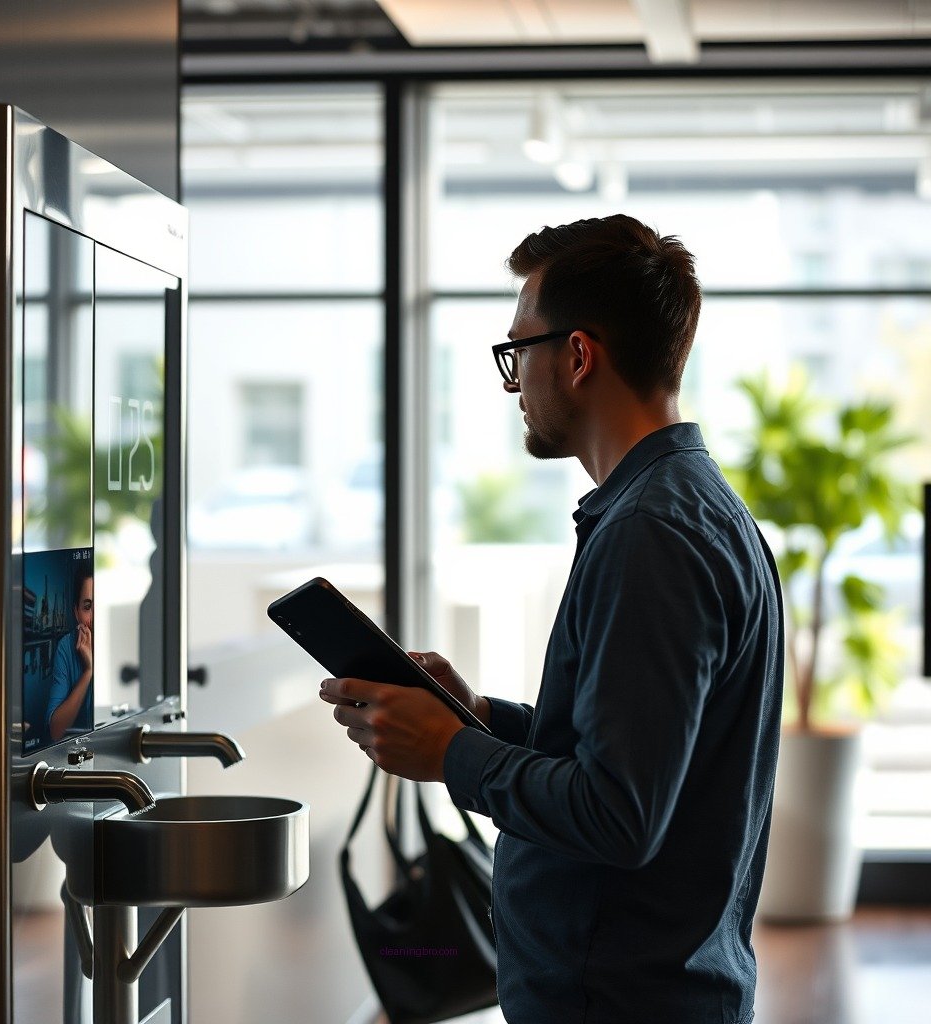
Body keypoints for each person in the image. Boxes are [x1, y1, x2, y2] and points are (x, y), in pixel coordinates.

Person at [320, 214, 784, 1023]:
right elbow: (635, 746)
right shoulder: (680, 509)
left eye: (517, 354)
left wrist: (452, 752)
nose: (512, 384)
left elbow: (619, 812)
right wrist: (482, 716)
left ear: (576, 355)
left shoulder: (652, 535)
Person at [46, 563, 94, 743]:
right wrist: (88, 671)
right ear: (76, 612)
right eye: (87, 606)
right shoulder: (66, 647)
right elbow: (55, 730)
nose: (95, 616)